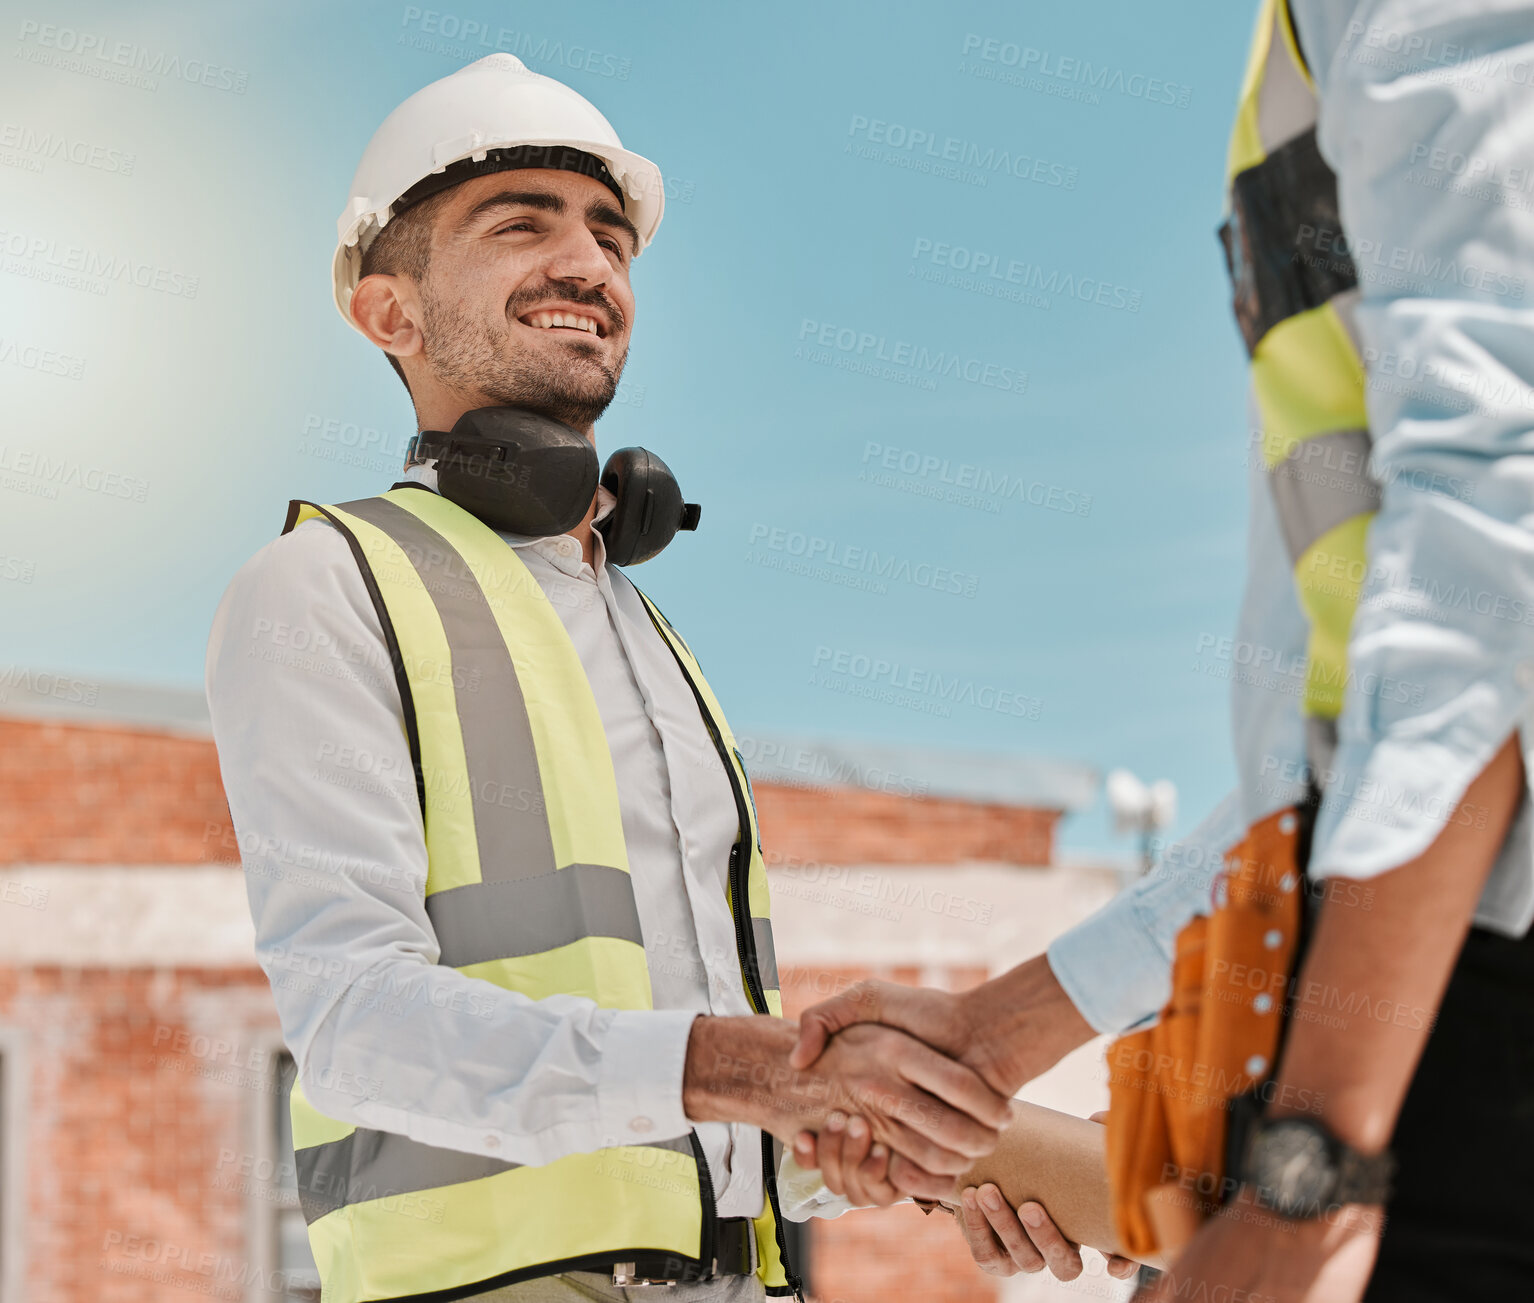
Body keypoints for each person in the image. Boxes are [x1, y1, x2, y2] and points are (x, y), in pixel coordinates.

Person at [205, 54, 1012, 1303]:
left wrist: (868, 1148)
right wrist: (746, 1070)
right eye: (518, 223)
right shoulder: (325, 583)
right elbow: (357, 1027)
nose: (588, 263)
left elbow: (665, 1108)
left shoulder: (649, 633)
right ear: (389, 312)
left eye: (609, 235)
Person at [789, 2, 1534, 1299]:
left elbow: (1489, 553)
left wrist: (1309, 1173)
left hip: (1460, 1021)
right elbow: (1349, 754)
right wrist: (997, 1034)